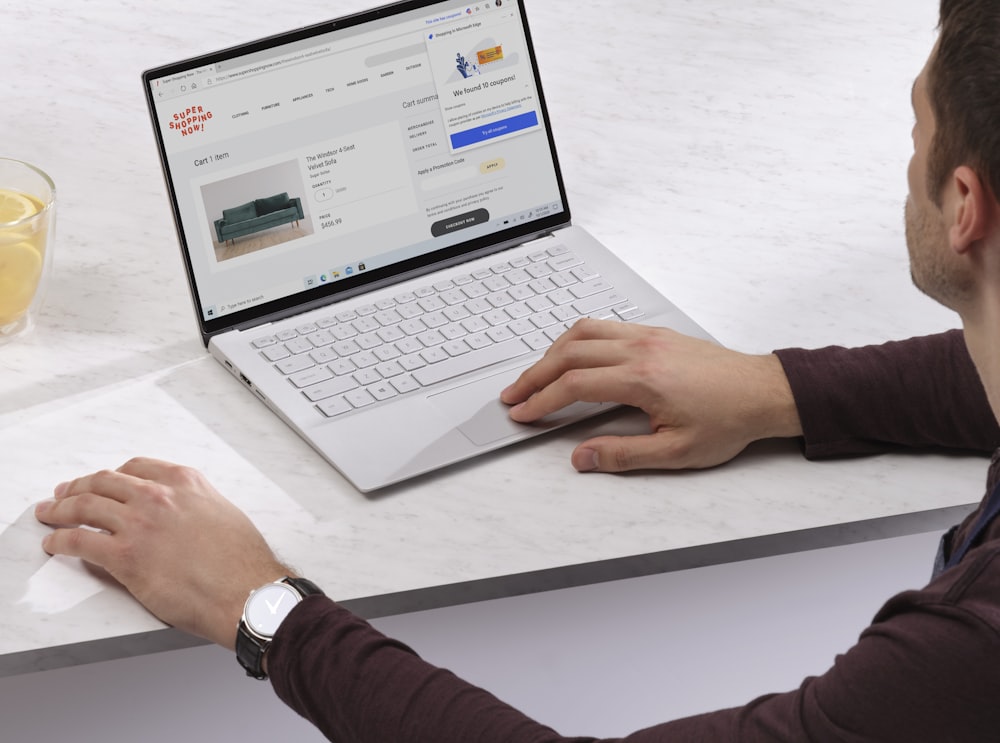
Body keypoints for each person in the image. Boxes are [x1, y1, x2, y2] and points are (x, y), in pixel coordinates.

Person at [34, 0, 1000, 738]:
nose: (902, 156)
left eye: (913, 131)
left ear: (964, 205)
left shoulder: (967, 652)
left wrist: (259, 605)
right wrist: (777, 389)